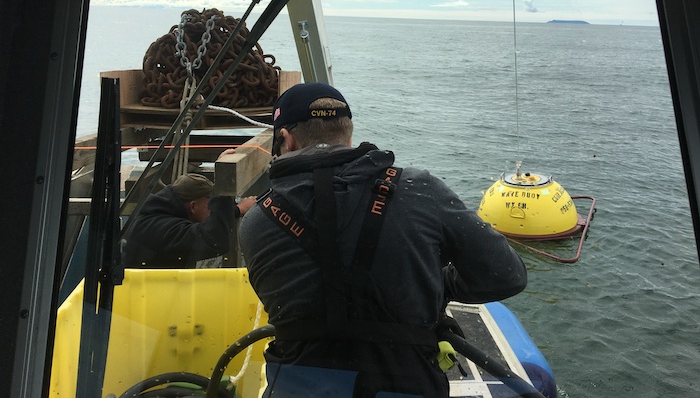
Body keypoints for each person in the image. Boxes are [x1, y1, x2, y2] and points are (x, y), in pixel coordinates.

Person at [238, 82, 528, 398]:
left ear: (286, 139)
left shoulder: (257, 221)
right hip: (407, 384)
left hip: (297, 386)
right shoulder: (420, 188)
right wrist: (436, 285)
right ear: (348, 134)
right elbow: (507, 276)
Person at [122, 171, 256, 268]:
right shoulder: (164, 230)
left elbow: (206, 222)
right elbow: (215, 240)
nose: (212, 211)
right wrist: (224, 182)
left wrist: (237, 210)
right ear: (193, 206)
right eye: (210, 205)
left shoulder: (155, 214)